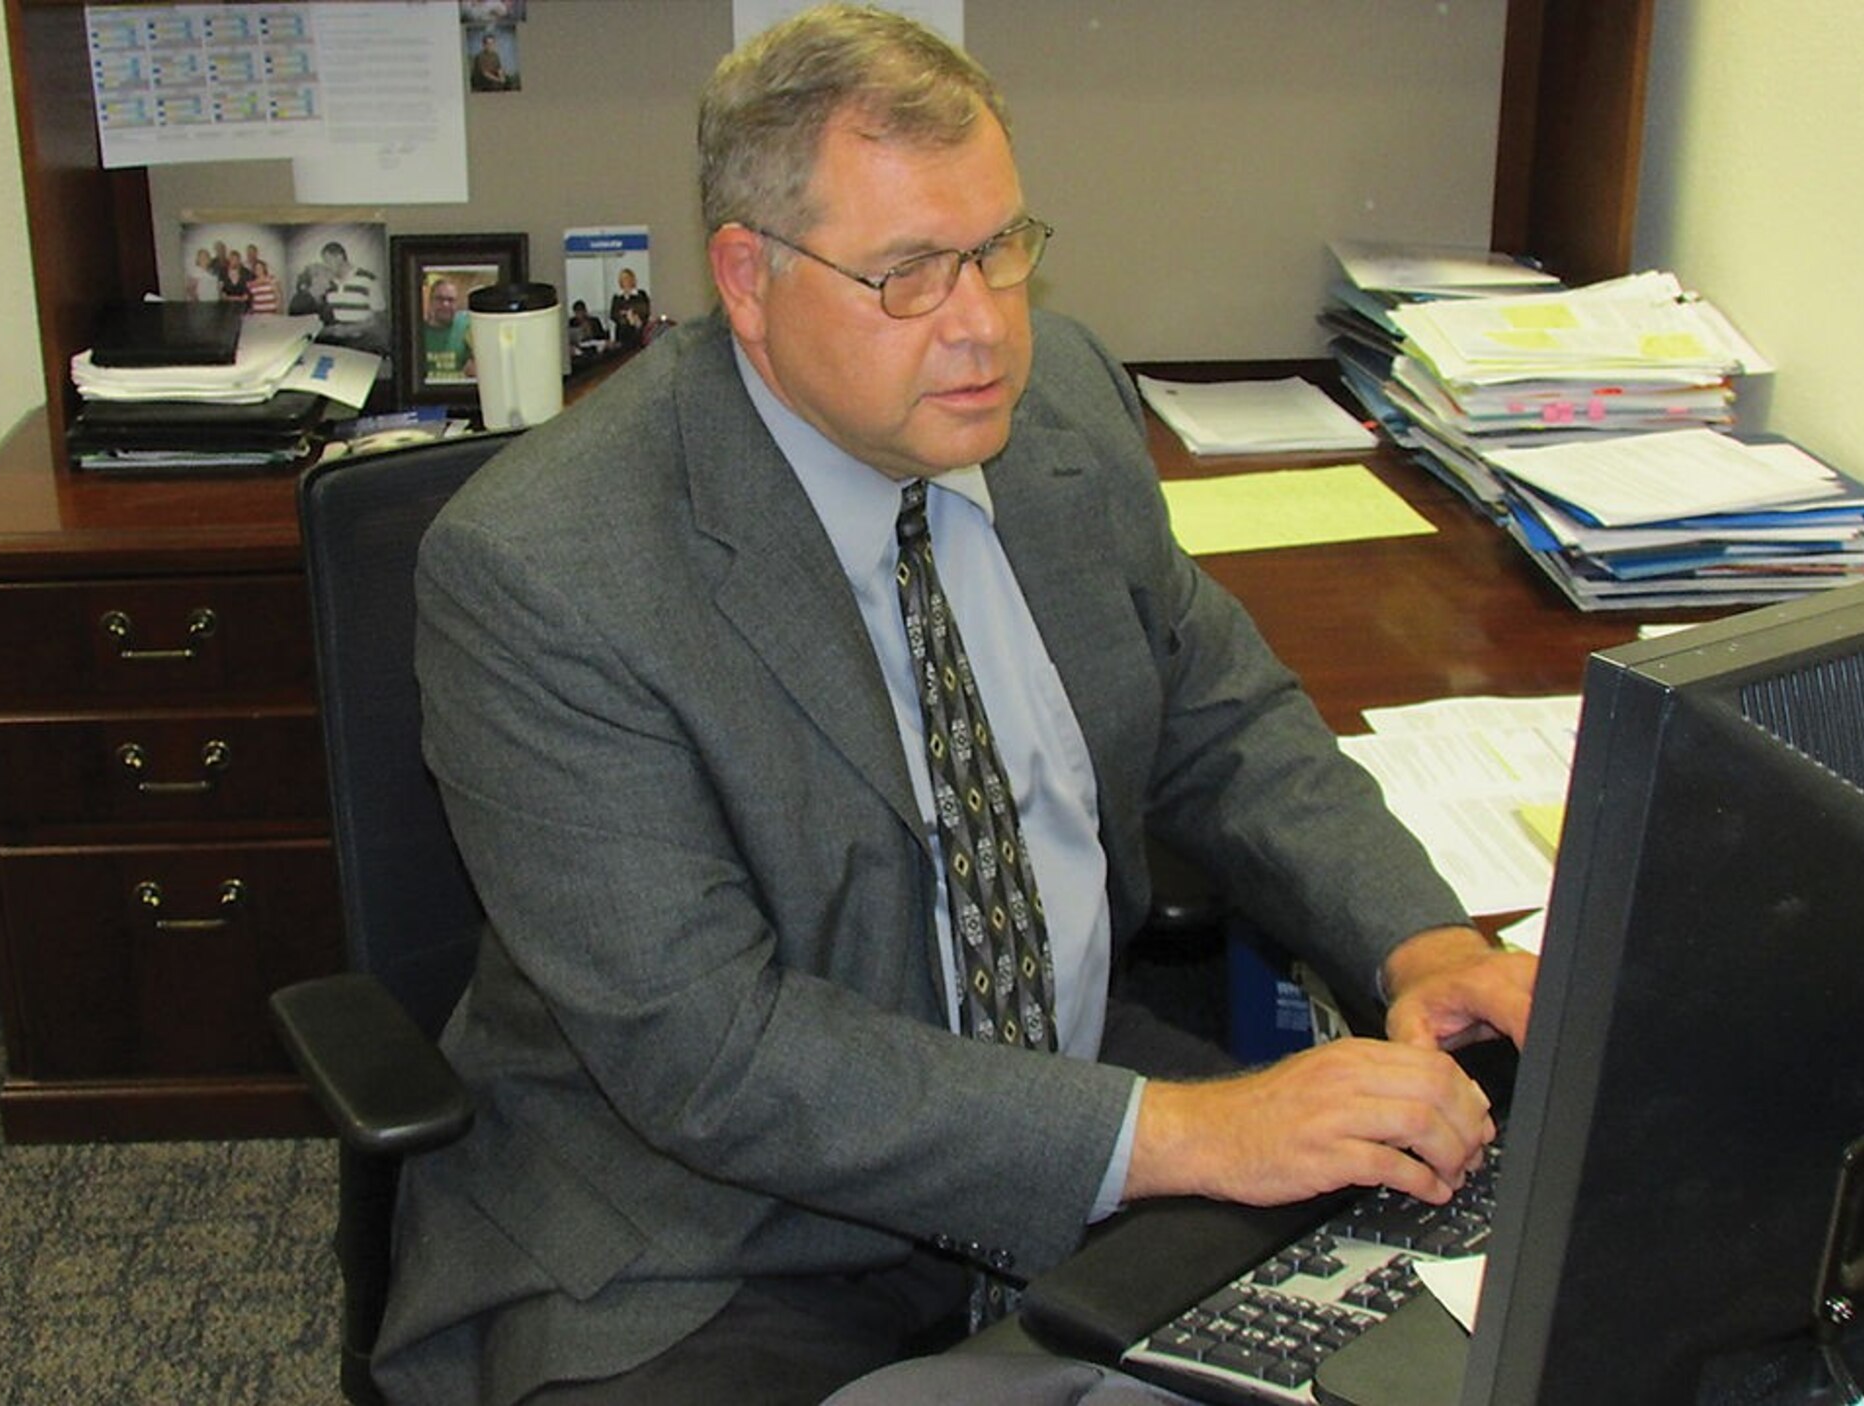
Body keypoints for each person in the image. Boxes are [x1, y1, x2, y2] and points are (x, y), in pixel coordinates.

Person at [374, 7, 1534, 1405]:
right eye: (909, 273)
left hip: (1063, 1079)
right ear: (746, 278)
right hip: (713, 1230)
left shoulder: (1063, 417)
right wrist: (1181, 1131)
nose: (984, 326)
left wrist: (1417, 943)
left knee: (1461, 1311)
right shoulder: (549, 569)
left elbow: (1220, 716)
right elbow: (712, 1056)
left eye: (999, 249)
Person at [422, 276, 476, 382]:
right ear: (430, 301)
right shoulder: (417, 332)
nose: (445, 304)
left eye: (450, 300)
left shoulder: (467, 326)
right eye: (439, 299)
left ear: (457, 303)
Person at [607, 265, 650, 347]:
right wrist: (625, 316)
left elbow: (644, 310)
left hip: (638, 330)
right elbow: (613, 314)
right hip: (622, 331)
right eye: (623, 279)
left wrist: (632, 313)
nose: (626, 281)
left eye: (627, 278)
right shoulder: (617, 297)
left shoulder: (640, 294)